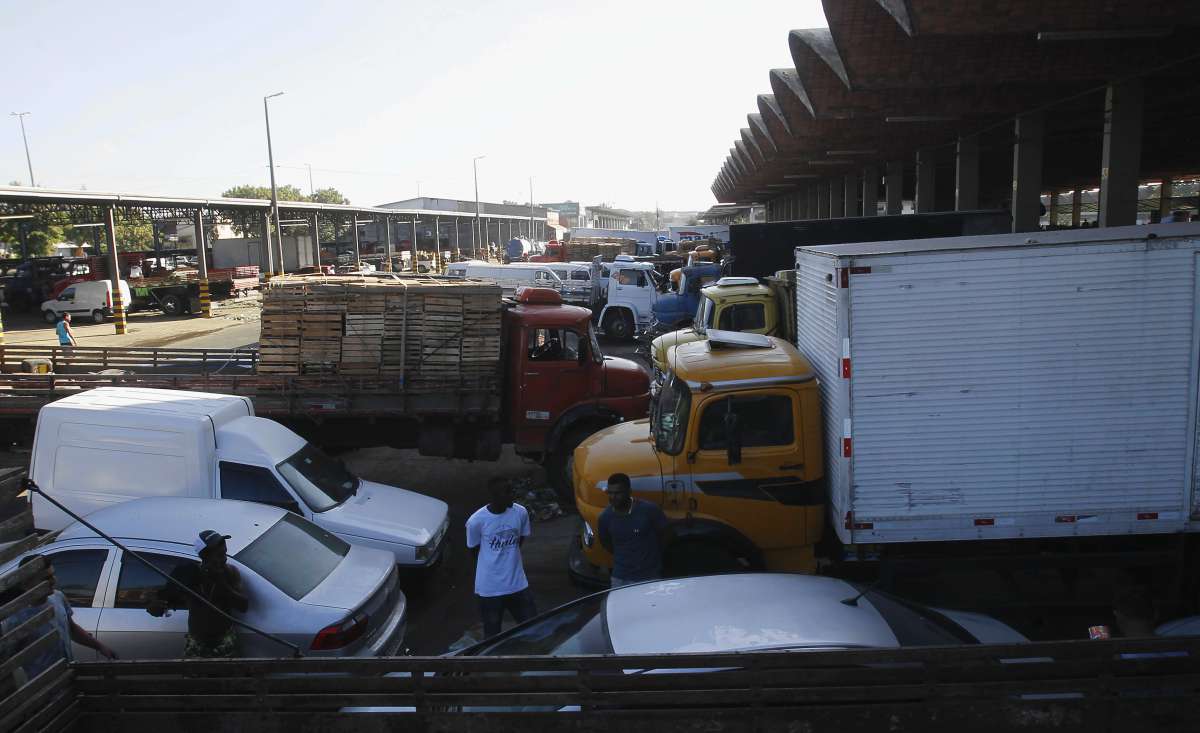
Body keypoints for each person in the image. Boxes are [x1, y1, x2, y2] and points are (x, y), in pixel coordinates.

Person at [0, 555, 116, 681]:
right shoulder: (16, 618)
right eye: (46, 578)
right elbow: (8, 658)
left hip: (67, 678)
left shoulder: (58, 597)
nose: (53, 581)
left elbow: (71, 629)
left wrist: (99, 646)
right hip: (42, 688)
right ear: (26, 584)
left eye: (53, 575)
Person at [148, 530, 249, 658]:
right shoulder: (187, 576)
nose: (224, 559)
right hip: (197, 643)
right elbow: (159, 606)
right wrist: (155, 607)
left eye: (225, 553)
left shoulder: (230, 572)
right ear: (204, 556)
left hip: (225, 641)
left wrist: (222, 583)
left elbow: (243, 606)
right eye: (219, 555)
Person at [466, 478, 535, 638]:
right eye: (508, 492)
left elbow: (520, 541)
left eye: (512, 490)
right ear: (494, 496)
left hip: (518, 585)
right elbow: (474, 551)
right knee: (492, 635)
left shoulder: (520, 512)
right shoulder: (476, 521)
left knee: (533, 629)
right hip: (490, 590)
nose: (513, 495)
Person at [598, 473, 668, 588]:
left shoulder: (649, 510)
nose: (613, 497)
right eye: (610, 493)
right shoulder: (605, 517)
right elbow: (606, 543)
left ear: (629, 492)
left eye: (618, 493)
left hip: (650, 576)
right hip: (621, 577)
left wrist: (653, 556)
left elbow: (666, 534)